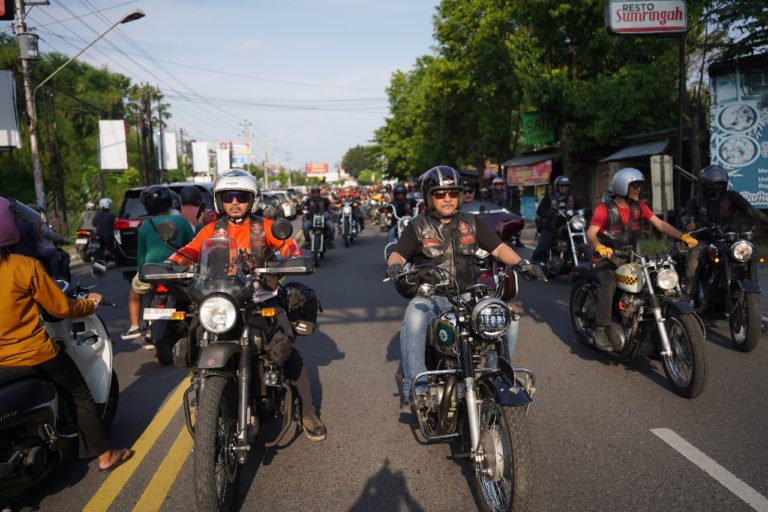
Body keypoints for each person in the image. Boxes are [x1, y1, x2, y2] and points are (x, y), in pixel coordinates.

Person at [171, 170, 327, 441]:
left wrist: (295, 257)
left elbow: (289, 246)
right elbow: (190, 251)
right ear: (219, 201)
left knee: (284, 347)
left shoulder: (264, 227)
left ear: (252, 200)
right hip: (222, 301)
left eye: (241, 197)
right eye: (228, 197)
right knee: (195, 336)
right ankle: (204, 398)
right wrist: (171, 264)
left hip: (259, 299)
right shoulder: (211, 230)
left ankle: (308, 413)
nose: (234, 202)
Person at [385, 166, 545, 410]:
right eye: (440, 194)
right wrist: (395, 266)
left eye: (453, 193)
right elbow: (398, 253)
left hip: (469, 295)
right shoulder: (417, 226)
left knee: (508, 318)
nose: (447, 198)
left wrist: (522, 264)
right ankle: (418, 389)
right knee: (414, 317)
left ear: (459, 196)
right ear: (429, 197)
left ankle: (493, 376)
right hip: (433, 296)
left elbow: (499, 248)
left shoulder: (471, 223)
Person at [0, 196, 134, 472]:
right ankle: (105, 455)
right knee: (78, 392)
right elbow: (60, 308)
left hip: (4, 362)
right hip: (34, 353)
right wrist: (90, 304)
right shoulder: (24, 266)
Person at [586, 168, 698, 351]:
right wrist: (599, 247)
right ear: (622, 186)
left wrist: (682, 236)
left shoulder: (639, 207)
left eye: (639, 185)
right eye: (635, 185)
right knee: (609, 282)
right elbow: (591, 234)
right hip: (605, 259)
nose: (639, 189)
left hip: (630, 258)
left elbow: (659, 224)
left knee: (651, 282)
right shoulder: (604, 208)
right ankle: (600, 329)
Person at [682, 164, 768, 298]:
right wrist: (689, 223)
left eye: (720, 184)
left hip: (729, 239)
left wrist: (764, 219)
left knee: (748, 252)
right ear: (704, 185)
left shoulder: (732, 197)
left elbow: (751, 210)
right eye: (713, 185)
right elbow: (686, 216)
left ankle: (746, 284)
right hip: (704, 240)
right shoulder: (696, 201)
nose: (717, 187)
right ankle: (689, 295)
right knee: (694, 257)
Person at [121, 185, 195, 341]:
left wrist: (140, 272)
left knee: (134, 291)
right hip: (178, 272)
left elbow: (141, 257)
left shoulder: (145, 226)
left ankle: (134, 326)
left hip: (152, 273)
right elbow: (193, 247)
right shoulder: (182, 222)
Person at [532, 175, 580, 262]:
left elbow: (579, 208)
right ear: (557, 186)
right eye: (562, 185)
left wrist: (586, 211)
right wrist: (548, 212)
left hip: (568, 226)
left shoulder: (572, 197)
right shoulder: (550, 197)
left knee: (581, 240)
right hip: (551, 227)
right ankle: (533, 261)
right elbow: (540, 210)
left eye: (566, 185)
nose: (564, 187)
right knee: (542, 246)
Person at [28, 204, 68, 279]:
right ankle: (56, 278)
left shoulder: (28, 224)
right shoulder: (40, 226)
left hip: (34, 252)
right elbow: (53, 236)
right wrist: (63, 240)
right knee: (54, 254)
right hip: (43, 251)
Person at [301, 185, 335, 250]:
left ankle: (330, 242)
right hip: (312, 220)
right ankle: (308, 241)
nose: (315, 193)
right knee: (305, 227)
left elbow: (331, 206)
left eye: (317, 191)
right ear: (311, 192)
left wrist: (333, 208)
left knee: (332, 227)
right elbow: (304, 207)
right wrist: (302, 207)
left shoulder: (324, 200)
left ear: (319, 192)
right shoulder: (308, 200)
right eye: (314, 191)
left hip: (324, 219)